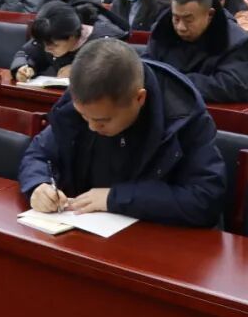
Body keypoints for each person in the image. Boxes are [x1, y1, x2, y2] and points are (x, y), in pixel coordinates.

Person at [17, 39, 225, 227]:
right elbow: (39, 153)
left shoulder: (183, 117)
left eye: (102, 121)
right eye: (84, 117)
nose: (91, 127)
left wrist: (115, 198)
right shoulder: (83, 100)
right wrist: (38, 184)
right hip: (82, 232)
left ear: (139, 98)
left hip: (155, 241)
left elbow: (205, 198)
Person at [145, 0, 248, 102]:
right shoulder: (162, 30)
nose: (181, 27)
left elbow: (231, 86)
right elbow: (147, 68)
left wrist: (174, 80)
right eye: (176, 19)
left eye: (188, 20)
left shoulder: (236, 41)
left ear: (210, 15)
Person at [11, 2, 128, 82]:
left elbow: (116, 77)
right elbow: (26, 54)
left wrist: (79, 70)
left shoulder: (105, 44)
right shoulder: (50, 36)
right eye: (44, 44)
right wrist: (23, 68)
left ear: (72, 36)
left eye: (54, 46)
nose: (46, 49)